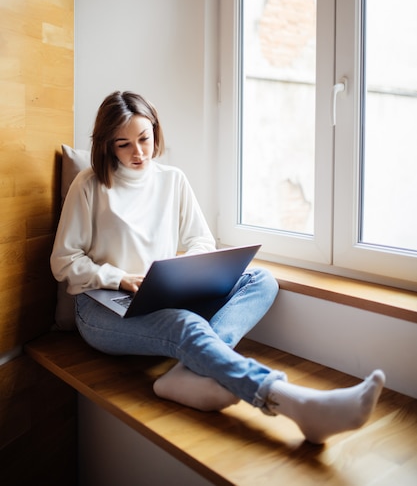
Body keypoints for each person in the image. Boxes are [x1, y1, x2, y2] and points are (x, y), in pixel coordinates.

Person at [51, 90, 385, 445]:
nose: (139, 153)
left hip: (161, 295)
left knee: (261, 279)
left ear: (155, 131)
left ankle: (187, 371)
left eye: (144, 139)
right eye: (124, 144)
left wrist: (181, 272)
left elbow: (200, 241)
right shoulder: (89, 186)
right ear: (106, 146)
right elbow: (64, 261)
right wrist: (117, 278)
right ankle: (292, 401)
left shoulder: (172, 180)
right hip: (101, 307)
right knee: (185, 324)